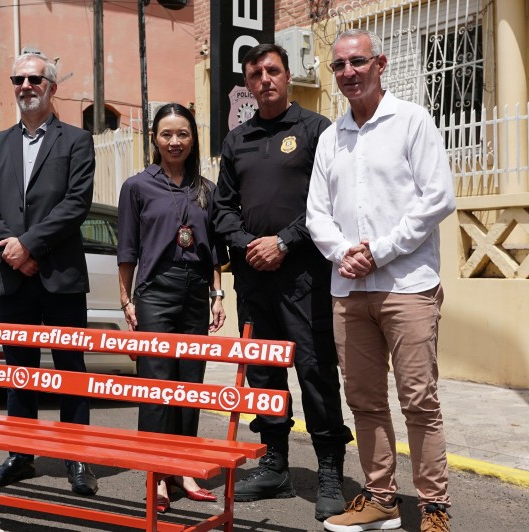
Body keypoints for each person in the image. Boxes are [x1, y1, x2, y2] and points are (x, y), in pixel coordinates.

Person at [306, 29, 456, 532]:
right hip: (349, 290)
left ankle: (434, 507)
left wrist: (380, 252)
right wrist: (344, 253)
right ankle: (380, 498)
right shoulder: (331, 137)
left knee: (419, 400)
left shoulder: (412, 121)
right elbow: (316, 215)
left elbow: (436, 199)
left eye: (357, 62)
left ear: (380, 64)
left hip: (408, 285)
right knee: (364, 401)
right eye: (339, 66)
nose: (348, 73)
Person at [212, 43, 354, 521]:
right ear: (247, 84)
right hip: (254, 278)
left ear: (288, 76)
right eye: (256, 73)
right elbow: (222, 209)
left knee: (314, 370)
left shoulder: (317, 130)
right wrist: (251, 243)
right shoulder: (237, 140)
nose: (265, 79)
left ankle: (330, 468)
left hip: (304, 276)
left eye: (273, 70)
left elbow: (328, 203)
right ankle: (274, 462)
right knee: (264, 371)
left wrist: (284, 242)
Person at [0, 51, 98, 497]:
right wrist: (12, 248)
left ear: (51, 86)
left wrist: (30, 245)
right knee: (18, 371)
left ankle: (77, 456)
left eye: (34, 79)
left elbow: (76, 203)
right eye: (18, 79)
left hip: (59, 276)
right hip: (11, 278)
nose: (25, 86)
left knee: (70, 369)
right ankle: (18, 455)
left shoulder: (77, 141)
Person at [116, 103, 227, 513]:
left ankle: (182, 470)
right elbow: (127, 247)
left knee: (189, 386)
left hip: (195, 293)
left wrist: (217, 296)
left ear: (193, 138)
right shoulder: (137, 186)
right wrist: (126, 300)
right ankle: (156, 475)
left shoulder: (206, 189)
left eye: (182, 134)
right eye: (166, 134)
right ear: (154, 139)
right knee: (157, 386)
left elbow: (214, 250)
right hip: (155, 292)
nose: (175, 141)